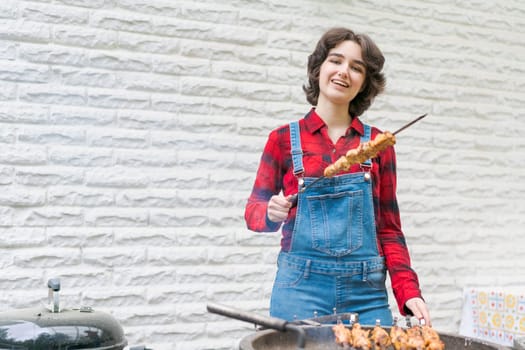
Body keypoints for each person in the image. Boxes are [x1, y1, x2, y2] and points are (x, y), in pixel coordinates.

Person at [244, 27, 431, 326]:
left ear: (364, 83)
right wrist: (269, 211)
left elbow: (389, 230)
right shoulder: (281, 140)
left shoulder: (379, 145)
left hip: (367, 296)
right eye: (336, 61)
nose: (344, 72)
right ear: (319, 68)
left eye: (356, 68)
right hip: (299, 291)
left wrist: (408, 291)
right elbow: (253, 213)